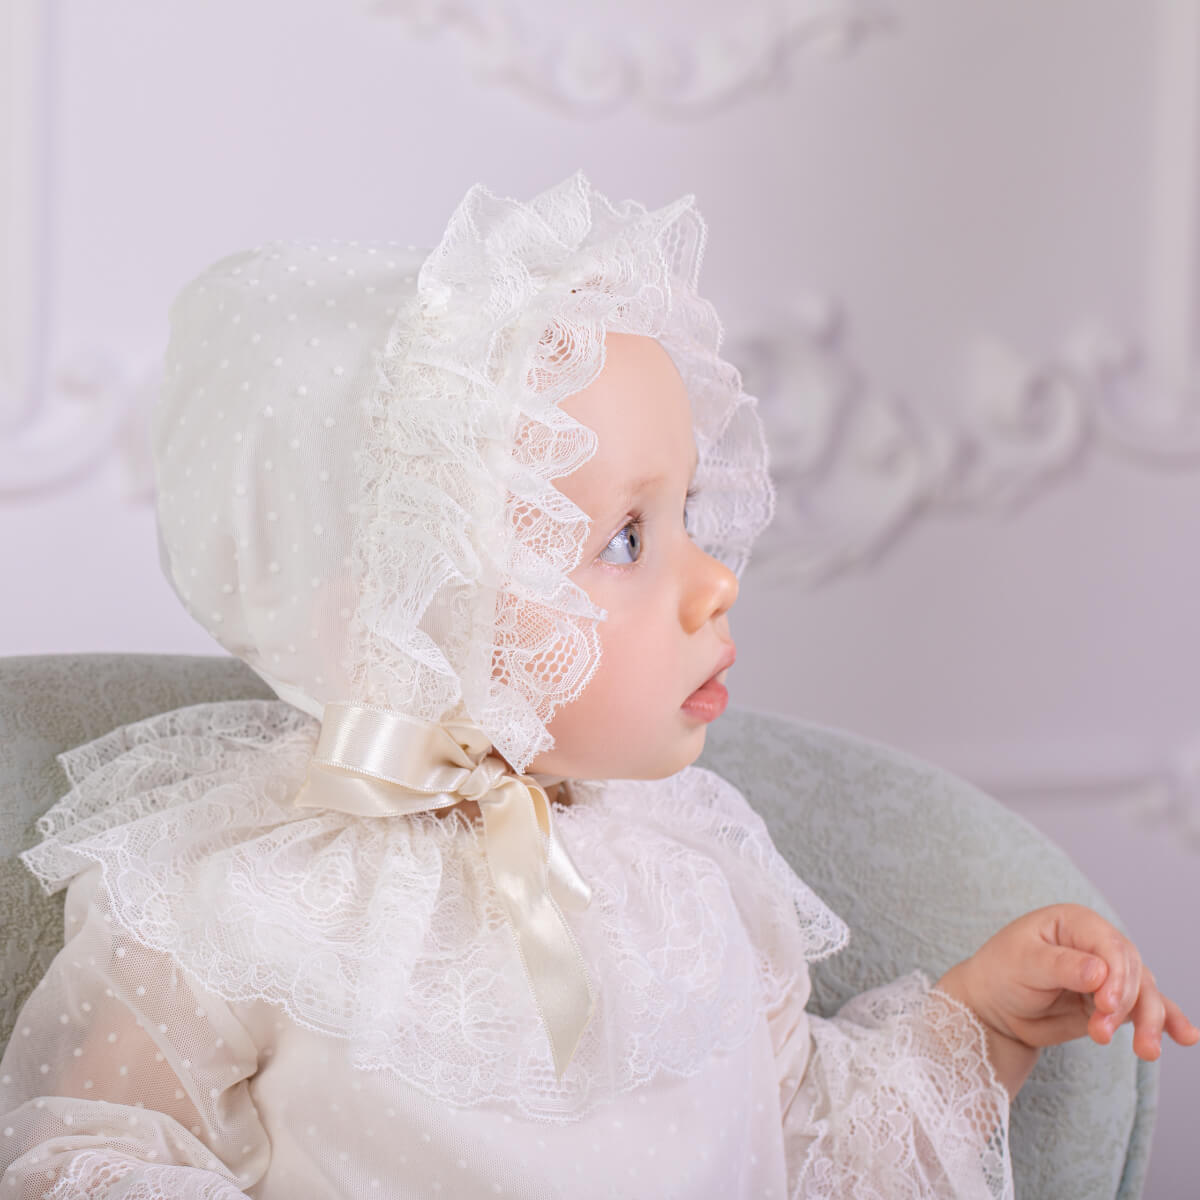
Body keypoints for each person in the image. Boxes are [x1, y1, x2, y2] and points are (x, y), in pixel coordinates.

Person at [0, 172, 1194, 1199]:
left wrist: (976, 1027)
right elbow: (90, 1151)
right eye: (628, 539)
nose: (714, 580)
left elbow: (801, 1155)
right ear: (417, 604)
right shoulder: (243, 907)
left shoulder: (697, 877)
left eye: (688, 516)